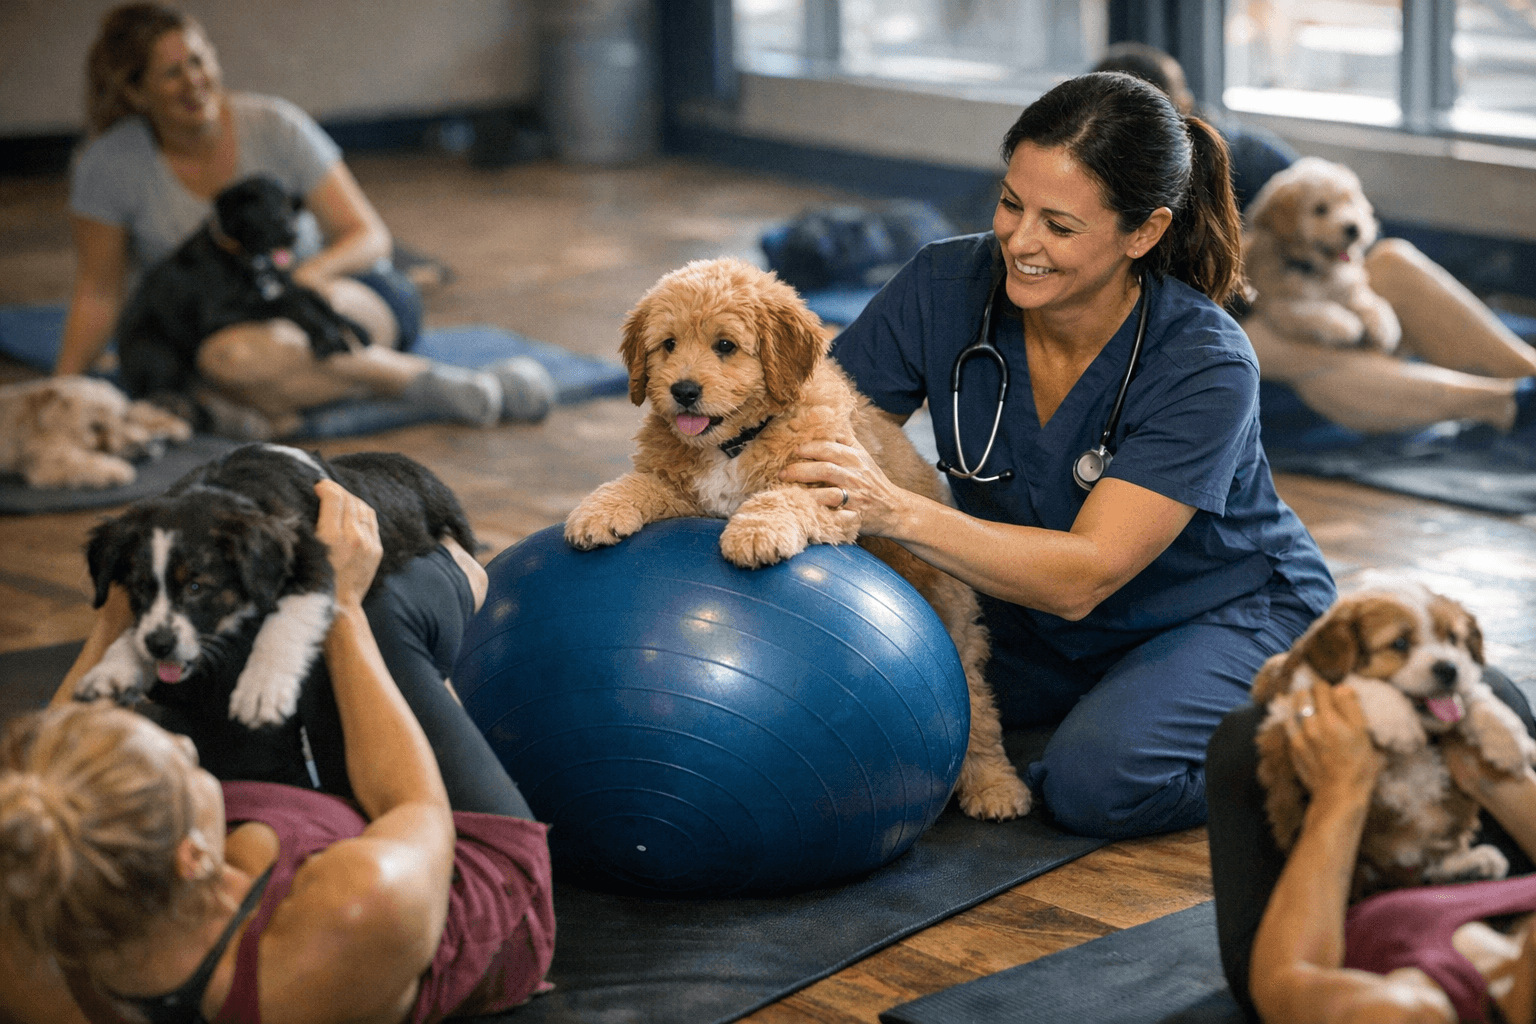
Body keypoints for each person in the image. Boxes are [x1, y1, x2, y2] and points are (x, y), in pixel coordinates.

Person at [783, 71, 1336, 840]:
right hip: (1033, 616)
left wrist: (895, 511)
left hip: (1219, 608)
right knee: (858, 710)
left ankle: (1317, 750)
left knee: (1097, 786)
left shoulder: (1203, 360)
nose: (1020, 241)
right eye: (1012, 203)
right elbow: (816, 427)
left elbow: (1084, 577)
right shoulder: (944, 285)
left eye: (1060, 225)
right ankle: (1116, 704)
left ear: (1143, 232)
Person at [0, 480, 554, 1024]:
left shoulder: (29, 903)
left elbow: (53, 773)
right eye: (182, 766)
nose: (185, 745)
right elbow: (413, 804)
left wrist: (113, 623)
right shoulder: (352, 911)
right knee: (382, 609)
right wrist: (339, 604)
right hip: (457, 866)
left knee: (230, 625)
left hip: (274, 832)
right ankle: (458, 572)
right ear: (194, 856)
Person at [58, 3, 555, 438]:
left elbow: (369, 237)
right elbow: (99, 291)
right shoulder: (107, 165)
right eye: (171, 73)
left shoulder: (275, 125)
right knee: (228, 360)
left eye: (198, 59)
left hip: (342, 294)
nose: (194, 80)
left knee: (254, 356)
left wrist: (304, 277)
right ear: (136, 93)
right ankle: (407, 388)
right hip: (232, 333)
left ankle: (429, 385)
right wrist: (63, 389)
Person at [1094, 42, 1536, 443]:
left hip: (1322, 281)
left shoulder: (1246, 150)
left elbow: (1334, 205)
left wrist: (1334, 272)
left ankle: (1528, 373)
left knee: (1392, 259)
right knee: (1269, 342)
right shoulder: (1108, 189)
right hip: (1237, 318)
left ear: (1187, 105)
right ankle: (1505, 404)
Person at [1208, 675, 1536, 1023]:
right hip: (1493, 875)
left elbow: (1281, 983)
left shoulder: (1410, 1012)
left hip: (1324, 912)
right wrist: (1487, 776)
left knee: (1250, 735)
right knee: (1484, 689)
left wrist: (1342, 790)